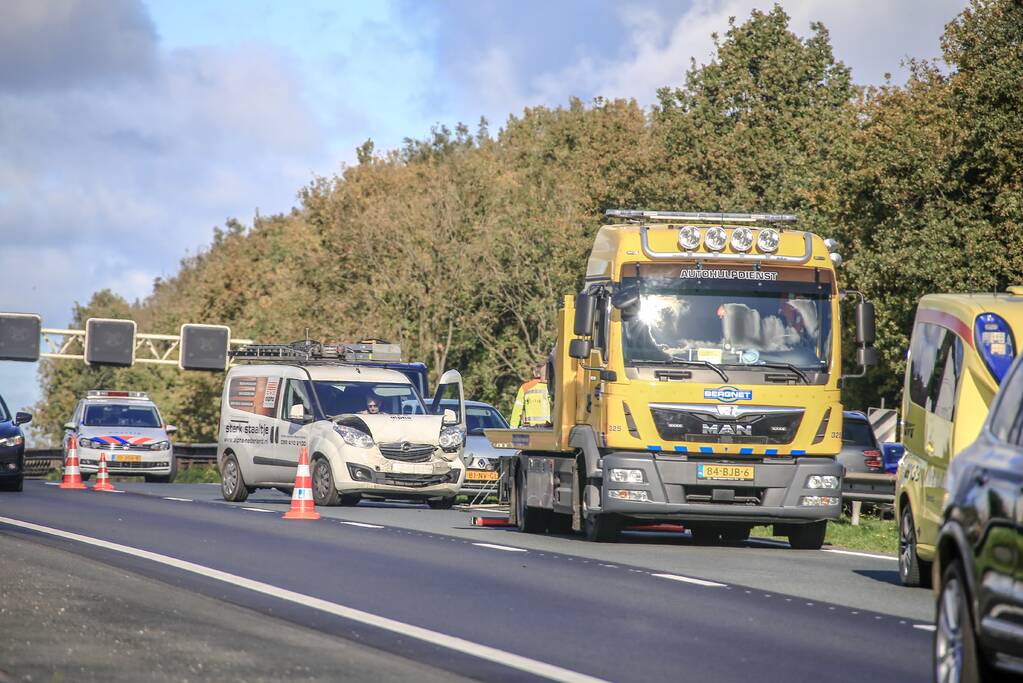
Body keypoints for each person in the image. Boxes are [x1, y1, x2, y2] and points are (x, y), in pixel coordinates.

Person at [510, 361, 552, 428]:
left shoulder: (525, 387)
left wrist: (513, 427)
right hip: (548, 428)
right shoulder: (550, 387)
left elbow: (517, 409)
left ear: (534, 373)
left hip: (530, 429)